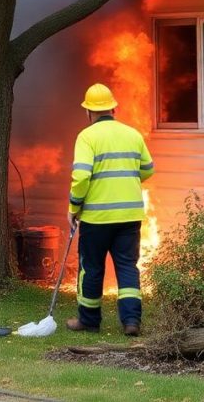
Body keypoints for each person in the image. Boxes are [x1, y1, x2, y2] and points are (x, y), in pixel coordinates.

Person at [66, 83, 154, 337]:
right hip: (129, 217)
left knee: (92, 268)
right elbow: (148, 169)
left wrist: (74, 207)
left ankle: (89, 320)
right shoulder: (132, 134)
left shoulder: (87, 137)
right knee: (127, 267)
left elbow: (81, 176)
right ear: (113, 108)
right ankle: (131, 322)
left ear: (88, 112)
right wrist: (126, 181)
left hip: (97, 218)